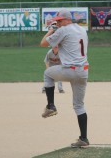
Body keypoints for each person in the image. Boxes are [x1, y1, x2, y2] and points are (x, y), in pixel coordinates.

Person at [40, 9, 90, 148]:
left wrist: (51, 30)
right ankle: (84, 139)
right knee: (79, 106)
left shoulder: (63, 30)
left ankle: (51, 106)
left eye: (60, 20)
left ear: (67, 20)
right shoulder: (81, 29)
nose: (58, 22)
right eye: (57, 21)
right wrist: (57, 30)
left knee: (48, 73)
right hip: (83, 71)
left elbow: (43, 43)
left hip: (70, 70)